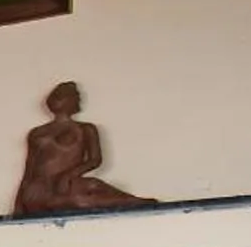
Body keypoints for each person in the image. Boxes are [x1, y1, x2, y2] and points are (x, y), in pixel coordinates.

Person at [13, 81, 154, 214]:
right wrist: (18, 207)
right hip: (39, 190)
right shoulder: (37, 133)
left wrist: (69, 175)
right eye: (74, 97)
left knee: (93, 184)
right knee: (79, 202)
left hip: (68, 183)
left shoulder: (86, 129)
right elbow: (29, 169)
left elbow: (95, 160)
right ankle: (131, 202)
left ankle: (133, 201)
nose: (78, 100)